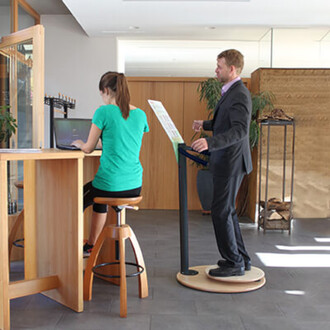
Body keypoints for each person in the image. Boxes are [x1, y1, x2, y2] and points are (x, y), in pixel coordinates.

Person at [72, 71, 149, 257]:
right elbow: (126, 139)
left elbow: (88, 148)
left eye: (101, 93)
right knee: (99, 197)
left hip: (111, 185)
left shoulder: (103, 111)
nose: (102, 97)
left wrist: (80, 143)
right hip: (134, 186)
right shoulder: (140, 114)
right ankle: (91, 245)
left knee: (74, 200)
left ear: (106, 90)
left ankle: (73, 247)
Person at [191, 49, 252, 277]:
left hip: (231, 162)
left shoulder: (239, 94)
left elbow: (240, 130)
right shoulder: (232, 92)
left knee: (220, 211)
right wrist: (206, 125)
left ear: (232, 69)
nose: (216, 70)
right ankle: (241, 259)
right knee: (227, 211)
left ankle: (233, 262)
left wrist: (210, 142)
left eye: (219, 66)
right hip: (229, 161)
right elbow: (227, 121)